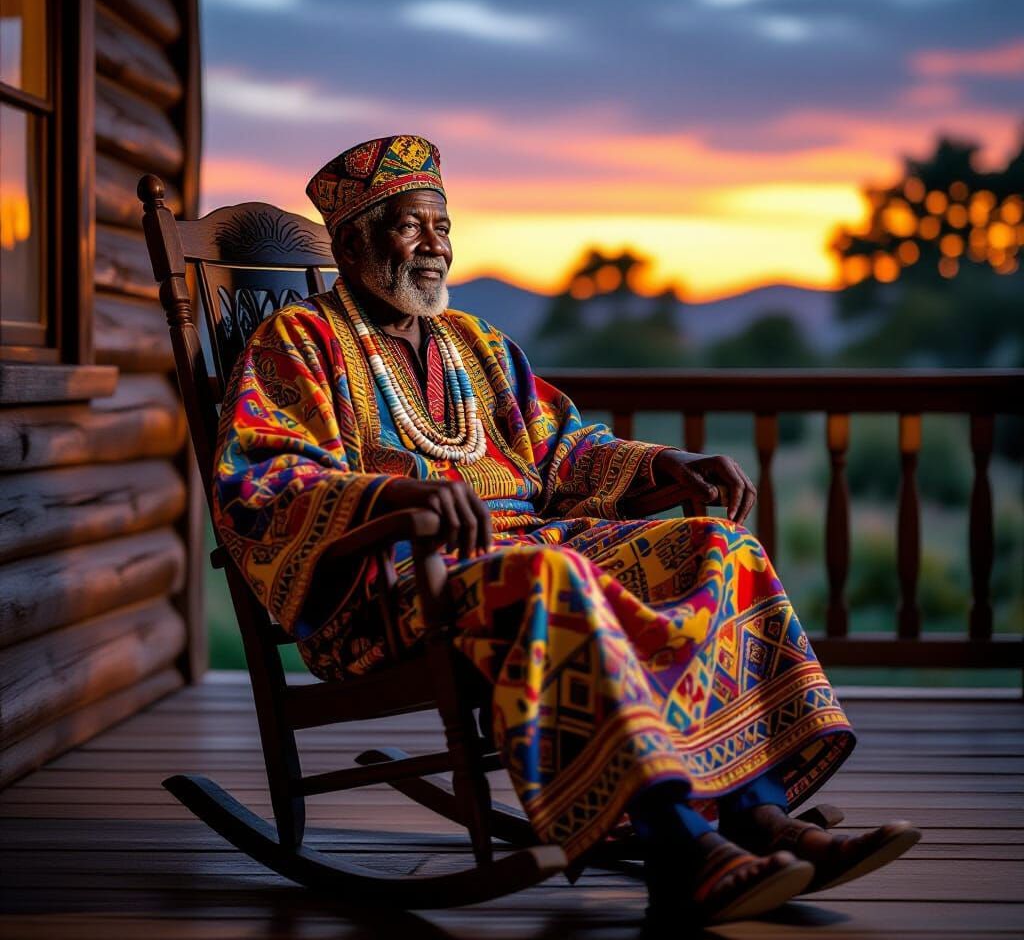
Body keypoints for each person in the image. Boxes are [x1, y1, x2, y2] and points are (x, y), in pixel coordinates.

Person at [212, 135, 919, 924]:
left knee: (717, 548)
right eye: (411, 225)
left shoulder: (477, 346)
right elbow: (262, 483)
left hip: (531, 551)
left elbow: (565, 449)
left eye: (442, 224)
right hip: (393, 590)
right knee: (557, 579)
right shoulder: (296, 344)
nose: (436, 243)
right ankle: (679, 843)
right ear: (352, 241)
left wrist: (665, 463)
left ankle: (756, 812)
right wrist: (392, 498)